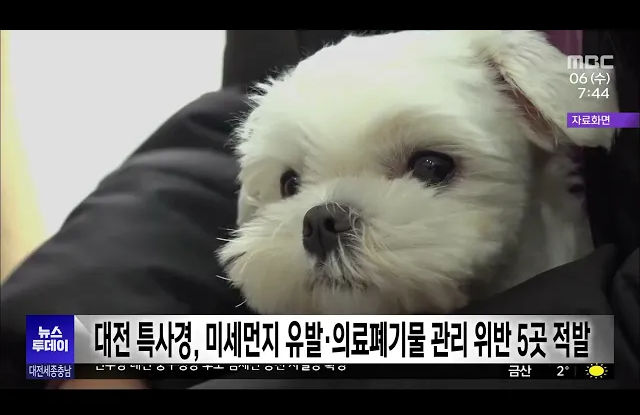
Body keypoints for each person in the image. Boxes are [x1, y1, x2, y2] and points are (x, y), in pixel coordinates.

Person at [1, 30, 637, 389]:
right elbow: (236, 115)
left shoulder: (577, 80)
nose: (324, 218)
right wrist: (77, 347)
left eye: (429, 167)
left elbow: (608, 109)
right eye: (290, 185)